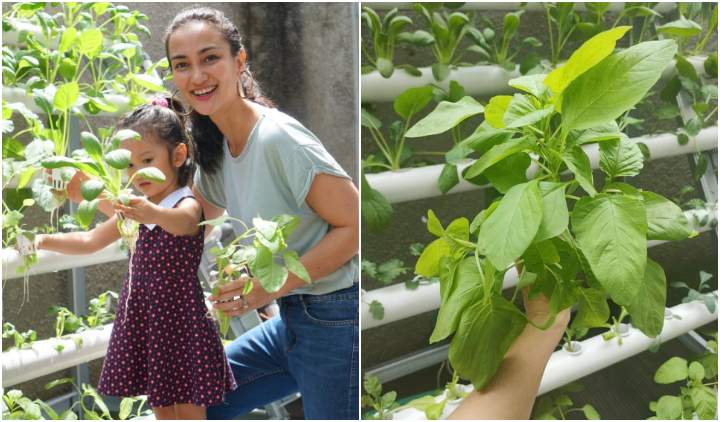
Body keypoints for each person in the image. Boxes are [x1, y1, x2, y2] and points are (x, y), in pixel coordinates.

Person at [165, 6, 360, 420]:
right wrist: (105, 194)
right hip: (290, 320)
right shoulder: (217, 145)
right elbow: (186, 220)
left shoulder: (277, 138)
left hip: (334, 317)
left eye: (209, 58)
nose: (197, 76)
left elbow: (356, 225)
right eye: (183, 65)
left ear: (239, 61)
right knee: (185, 402)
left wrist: (268, 287)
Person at [36, 98, 236, 420]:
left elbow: (184, 222)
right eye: (129, 165)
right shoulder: (138, 209)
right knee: (162, 409)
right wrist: (41, 240)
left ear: (177, 156)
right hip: (147, 318)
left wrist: (148, 211)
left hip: (181, 320)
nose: (137, 172)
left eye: (146, 160)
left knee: (188, 409)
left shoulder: (186, 203)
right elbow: (89, 241)